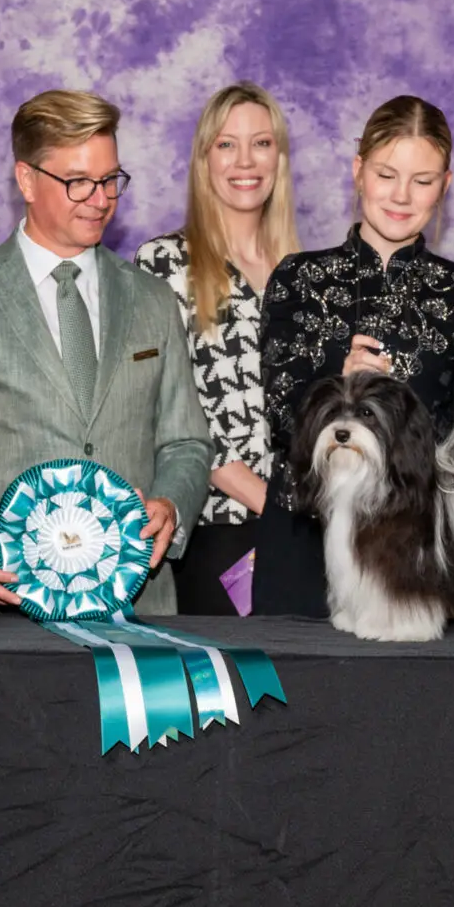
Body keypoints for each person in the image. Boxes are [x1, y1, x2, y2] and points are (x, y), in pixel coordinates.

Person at [0, 90, 212, 614]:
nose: (100, 199)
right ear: (26, 180)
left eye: (111, 179)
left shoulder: (154, 299)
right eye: (78, 181)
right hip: (6, 616)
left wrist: (169, 504)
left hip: (138, 610)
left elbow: (186, 442)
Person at [255, 95, 454, 617]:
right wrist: (337, 386)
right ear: (358, 171)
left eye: (423, 180)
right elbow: (282, 418)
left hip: (418, 548)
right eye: (387, 174)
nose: (401, 195)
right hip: (304, 538)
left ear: (446, 185)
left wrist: (399, 419)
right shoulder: (298, 280)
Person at [135, 83, 300, 614]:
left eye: (262, 143)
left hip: (308, 531)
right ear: (204, 159)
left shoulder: (308, 272)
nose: (245, 161)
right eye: (226, 144)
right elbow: (171, 413)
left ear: (280, 156)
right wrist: (274, 510)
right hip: (217, 532)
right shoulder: (162, 265)